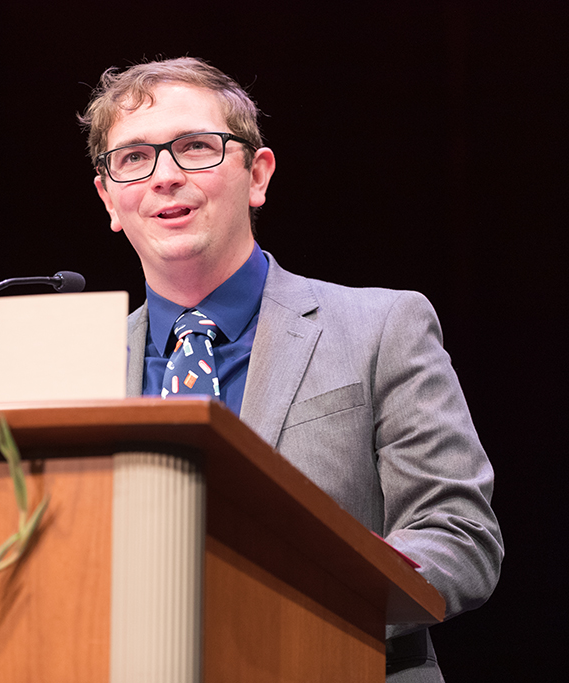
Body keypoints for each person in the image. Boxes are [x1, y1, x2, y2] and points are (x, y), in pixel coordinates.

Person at [79, 57, 502, 682]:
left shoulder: (382, 327)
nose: (164, 176)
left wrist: (305, 593)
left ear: (257, 174)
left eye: (195, 147)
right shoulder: (73, 370)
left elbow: (458, 536)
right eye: (134, 158)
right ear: (109, 198)